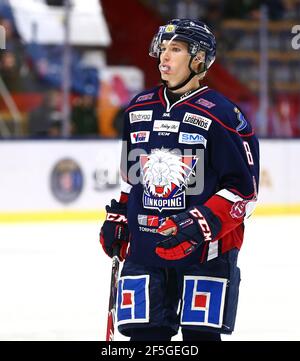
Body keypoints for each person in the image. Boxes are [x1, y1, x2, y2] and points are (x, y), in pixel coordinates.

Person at [100, 19, 260, 341]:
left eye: (175, 49)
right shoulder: (137, 109)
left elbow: (244, 192)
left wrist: (196, 225)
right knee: (145, 339)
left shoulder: (223, 115)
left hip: (203, 253)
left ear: (198, 60)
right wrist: (121, 216)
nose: (164, 57)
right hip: (146, 248)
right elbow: (134, 179)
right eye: (163, 49)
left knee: (200, 339)